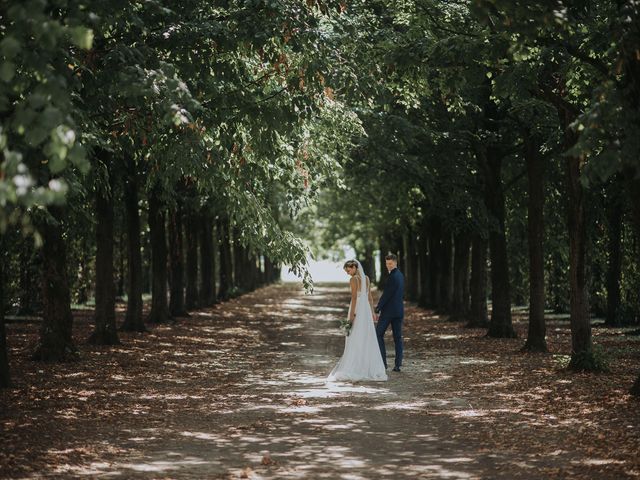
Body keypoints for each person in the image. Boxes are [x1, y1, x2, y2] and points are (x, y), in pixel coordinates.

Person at [327, 260, 388, 382]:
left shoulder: (354, 280)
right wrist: (372, 313)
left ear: (354, 267)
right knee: (366, 336)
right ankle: (366, 365)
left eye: (349, 270)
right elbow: (370, 298)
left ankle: (356, 365)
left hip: (358, 309)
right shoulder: (366, 278)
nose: (348, 273)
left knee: (355, 336)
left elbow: (354, 298)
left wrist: (351, 316)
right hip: (365, 309)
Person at [375, 253, 404, 372]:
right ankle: (398, 364)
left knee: (378, 334)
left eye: (390, 264)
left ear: (395, 263)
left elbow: (387, 294)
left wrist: (378, 307)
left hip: (388, 312)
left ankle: (383, 363)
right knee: (397, 338)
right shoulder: (401, 275)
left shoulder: (393, 276)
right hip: (399, 311)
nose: (388, 266)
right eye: (387, 264)